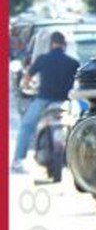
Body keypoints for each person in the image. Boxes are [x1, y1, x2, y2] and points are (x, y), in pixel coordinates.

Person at [11, 30, 80, 172]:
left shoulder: (42, 59)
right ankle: (78, 159)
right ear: (64, 45)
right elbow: (79, 82)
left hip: (44, 100)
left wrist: (25, 85)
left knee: (26, 126)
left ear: (51, 44)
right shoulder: (74, 63)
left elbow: (26, 80)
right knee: (79, 125)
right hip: (65, 101)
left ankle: (17, 160)